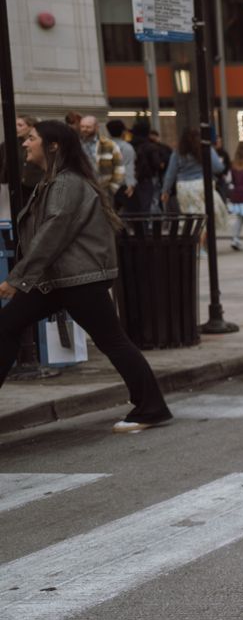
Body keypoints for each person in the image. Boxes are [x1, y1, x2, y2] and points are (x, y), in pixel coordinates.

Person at [1, 119, 171, 432]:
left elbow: (53, 232)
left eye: (32, 138)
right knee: (7, 326)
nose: (25, 143)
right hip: (60, 279)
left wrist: (18, 278)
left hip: (78, 279)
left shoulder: (67, 183)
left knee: (113, 341)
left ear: (53, 146)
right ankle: (152, 406)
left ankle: (151, 407)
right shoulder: (55, 180)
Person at [160, 125, 229, 248]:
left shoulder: (178, 152)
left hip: (183, 187)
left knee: (190, 217)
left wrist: (165, 191)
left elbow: (170, 173)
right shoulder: (206, 149)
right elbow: (218, 168)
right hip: (202, 185)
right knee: (207, 216)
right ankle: (201, 245)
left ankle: (196, 244)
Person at [130, 120, 170, 214]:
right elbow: (157, 164)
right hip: (149, 177)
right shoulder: (151, 146)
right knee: (152, 201)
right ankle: (151, 225)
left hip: (131, 178)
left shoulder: (130, 145)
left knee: (136, 204)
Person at [104, 120, 136, 209]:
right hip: (122, 184)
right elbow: (128, 166)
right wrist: (130, 183)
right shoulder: (127, 147)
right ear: (123, 132)